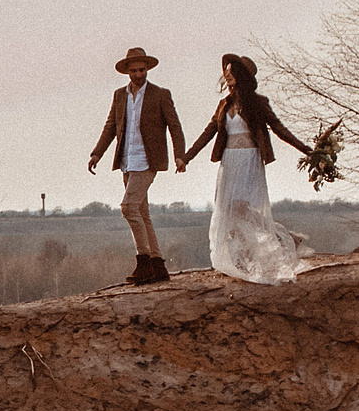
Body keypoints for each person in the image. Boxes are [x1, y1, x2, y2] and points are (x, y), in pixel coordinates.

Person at [180, 54, 318, 284]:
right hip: (229, 161)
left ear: (241, 76)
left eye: (231, 71)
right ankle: (265, 247)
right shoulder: (223, 104)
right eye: (226, 72)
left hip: (250, 159)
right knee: (229, 211)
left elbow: (279, 128)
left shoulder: (257, 103)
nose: (227, 75)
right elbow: (209, 132)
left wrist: (307, 150)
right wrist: (187, 157)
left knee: (239, 208)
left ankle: (276, 241)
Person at [87, 46, 186, 285]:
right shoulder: (119, 95)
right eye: (134, 71)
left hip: (148, 161)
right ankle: (158, 265)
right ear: (127, 72)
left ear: (147, 69)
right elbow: (111, 126)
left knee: (128, 207)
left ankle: (143, 261)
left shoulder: (161, 94)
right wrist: (97, 153)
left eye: (142, 70)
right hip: (127, 160)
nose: (139, 75)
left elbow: (175, 126)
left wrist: (180, 155)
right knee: (142, 213)